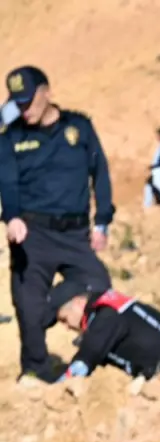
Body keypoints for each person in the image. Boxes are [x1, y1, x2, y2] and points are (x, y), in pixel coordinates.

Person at [0, 65, 114, 383]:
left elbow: (100, 173)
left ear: (46, 92)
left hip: (75, 233)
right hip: (32, 234)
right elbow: (7, 183)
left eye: (28, 101)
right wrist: (12, 217)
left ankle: (94, 357)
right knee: (26, 304)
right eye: (17, 103)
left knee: (99, 285)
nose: (23, 109)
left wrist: (102, 221)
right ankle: (35, 371)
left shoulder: (79, 128)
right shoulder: (11, 139)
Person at [47, 279, 160, 384]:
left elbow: (83, 362)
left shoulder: (106, 315)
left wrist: (56, 390)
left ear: (78, 303)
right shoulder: (110, 307)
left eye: (64, 319)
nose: (66, 326)